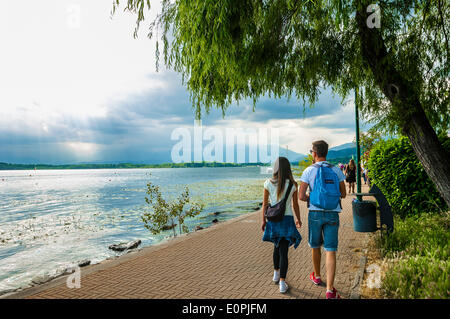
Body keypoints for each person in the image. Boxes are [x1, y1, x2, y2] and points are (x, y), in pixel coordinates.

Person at [298, 140, 346, 299]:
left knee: (315, 245)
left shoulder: (308, 171)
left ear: (315, 153)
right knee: (331, 250)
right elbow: (343, 194)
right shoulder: (336, 170)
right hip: (333, 213)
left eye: (311, 151)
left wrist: (311, 198)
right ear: (326, 152)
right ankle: (330, 290)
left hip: (315, 214)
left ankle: (317, 276)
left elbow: (301, 196)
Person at [261, 156, 302, 294]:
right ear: (288, 168)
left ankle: (276, 273)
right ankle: (282, 283)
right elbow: (295, 204)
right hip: (287, 219)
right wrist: (299, 219)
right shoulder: (293, 184)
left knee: (276, 247)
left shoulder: (268, 183)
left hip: (273, 220)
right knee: (284, 251)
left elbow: (265, 205)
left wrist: (263, 221)